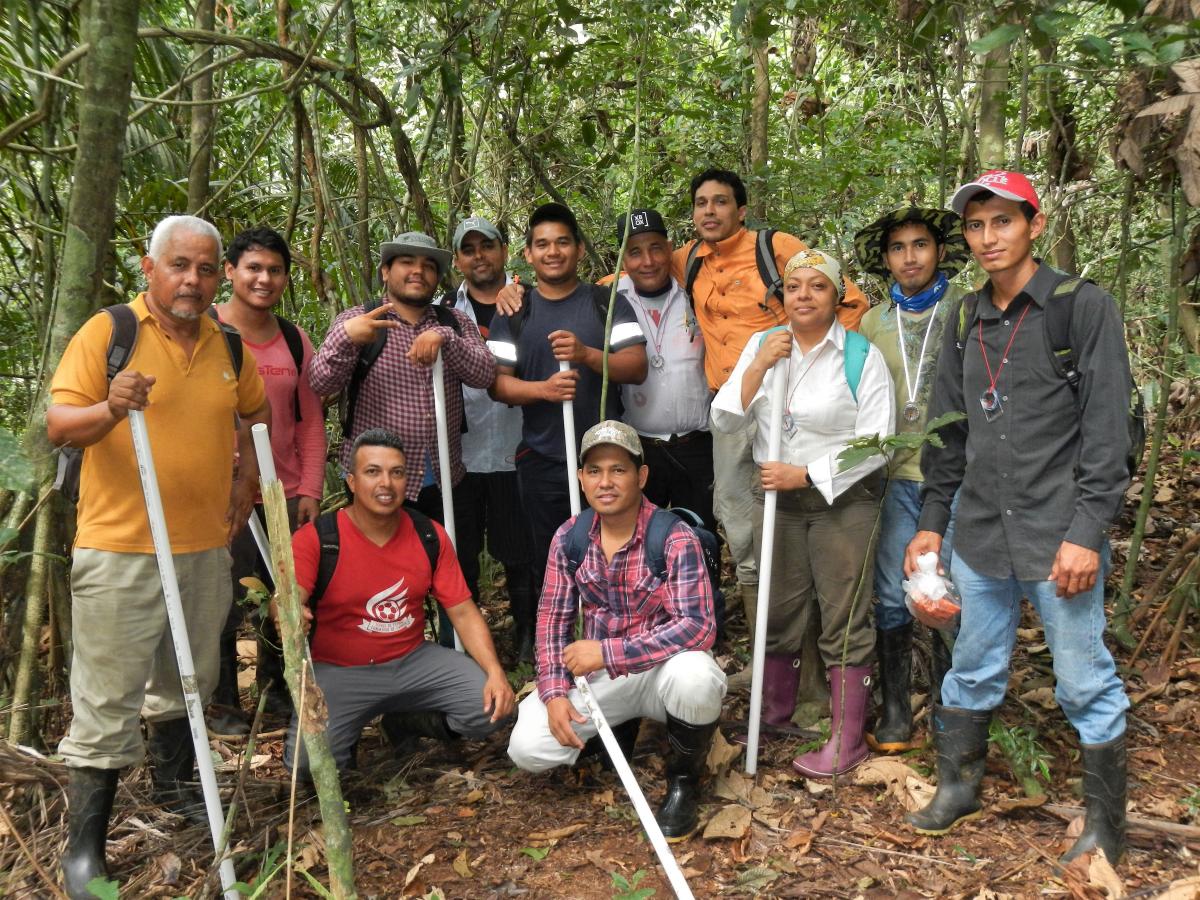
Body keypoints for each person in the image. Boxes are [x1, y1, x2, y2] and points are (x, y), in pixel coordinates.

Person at [903, 171, 1132, 866]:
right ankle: (958, 787)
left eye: (1001, 222)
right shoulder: (965, 317)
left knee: (1083, 678)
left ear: (1032, 223)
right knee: (970, 667)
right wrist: (933, 521)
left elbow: (1107, 432)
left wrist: (1087, 533)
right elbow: (949, 432)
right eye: (975, 226)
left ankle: (1104, 826)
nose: (987, 238)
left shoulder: (1079, 308)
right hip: (979, 532)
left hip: (1057, 532)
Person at [48, 216, 270, 898]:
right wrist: (111, 408)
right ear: (150, 268)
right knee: (107, 697)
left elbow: (253, 418)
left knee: (191, 680)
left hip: (204, 546)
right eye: (180, 266)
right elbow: (60, 424)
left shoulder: (227, 345)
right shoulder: (109, 332)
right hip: (120, 548)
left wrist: (244, 481)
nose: (193, 281)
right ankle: (84, 850)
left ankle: (179, 793)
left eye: (206, 269)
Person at [711, 249, 894, 778]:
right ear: (781, 297)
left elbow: (879, 442)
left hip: (843, 502)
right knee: (778, 608)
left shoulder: (859, 355)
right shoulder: (763, 346)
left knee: (843, 613)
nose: (805, 296)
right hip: (779, 502)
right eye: (795, 287)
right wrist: (760, 367)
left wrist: (807, 473)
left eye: (818, 286)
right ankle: (774, 715)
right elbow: (723, 418)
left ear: (838, 296)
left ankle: (847, 738)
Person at [507, 420, 727, 839]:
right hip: (603, 677)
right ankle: (611, 734)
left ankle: (683, 782)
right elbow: (552, 621)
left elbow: (697, 628)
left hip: (663, 671)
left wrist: (609, 653)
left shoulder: (674, 537)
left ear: (642, 476)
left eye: (618, 470)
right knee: (527, 746)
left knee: (697, 678)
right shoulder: (570, 538)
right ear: (581, 478)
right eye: (594, 471)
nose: (605, 482)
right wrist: (553, 693)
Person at [673, 168, 869, 616]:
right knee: (736, 512)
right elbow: (637, 267)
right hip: (731, 403)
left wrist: (821, 364)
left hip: (787, 402)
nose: (710, 210)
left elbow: (848, 299)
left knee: (798, 507)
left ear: (740, 211)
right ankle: (764, 631)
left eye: (720, 202)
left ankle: (812, 627)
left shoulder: (774, 247)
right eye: (701, 203)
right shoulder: (687, 258)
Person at [284, 429, 515, 776]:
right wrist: (289, 612)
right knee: (307, 766)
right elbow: (287, 602)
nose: (386, 483)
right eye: (373, 471)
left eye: (396, 472)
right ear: (351, 481)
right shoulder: (318, 539)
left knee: (493, 708)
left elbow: (463, 611)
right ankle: (345, 739)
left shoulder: (427, 535)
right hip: (341, 670)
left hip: (411, 660)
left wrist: (495, 671)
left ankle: (407, 722)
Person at [308, 231, 494, 648]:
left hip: (445, 477)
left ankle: (456, 660)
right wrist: (346, 339)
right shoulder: (362, 321)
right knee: (379, 579)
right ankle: (385, 660)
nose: (418, 271)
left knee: (456, 576)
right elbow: (320, 381)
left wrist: (445, 341)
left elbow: (484, 374)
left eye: (429, 265)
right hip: (382, 485)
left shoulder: (453, 322)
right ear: (386, 272)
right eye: (407, 262)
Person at [852, 208, 969, 752]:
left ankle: (951, 704)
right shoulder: (874, 322)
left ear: (940, 251)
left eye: (920, 245)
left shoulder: (967, 309)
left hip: (959, 476)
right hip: (896, 476)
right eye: (898, 248)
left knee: (954, 593)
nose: (910, 258)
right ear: (886, 259)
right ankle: (896, 707)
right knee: (893, 595)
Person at [487, 202, 647, 583]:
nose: (553, 252)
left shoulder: (607, 303)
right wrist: (544, 389)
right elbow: (497, 385)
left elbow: (637, 367)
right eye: (542, 244)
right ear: (528, 254)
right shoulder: (513, 311)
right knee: (553, 560)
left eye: (562, 242)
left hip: (606, 461)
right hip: (543, 460)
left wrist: (586, 354)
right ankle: (558, 636)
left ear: (577, 248)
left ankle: (610, 637)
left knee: (615, 558)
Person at [213, 226, 327, 732]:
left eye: (275, 270)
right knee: (221, 599)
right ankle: (219, 702)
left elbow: (310, 422)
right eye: (253, 268)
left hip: (280, 493)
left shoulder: (294, 340)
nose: (264, 278)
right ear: (230, 271)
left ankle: (276, 691)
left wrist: (310, 488)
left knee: (284, 595)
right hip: (217, 495)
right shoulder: (206, 328)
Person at [440, 216, 537, 663]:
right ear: (457, 259)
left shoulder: (529, 303)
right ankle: (462, 654)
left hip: (516, 451)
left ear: (504, 250)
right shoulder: (442, 312)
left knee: (520, 555)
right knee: (457, 561)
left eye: (487, 246)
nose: (479, 255)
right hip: (458, 455)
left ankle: (527, 641)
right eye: (469, 249)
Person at [612, 209, 717, 536]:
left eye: (656, 248)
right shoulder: (609, 302)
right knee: (641, 544)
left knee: (701, 542)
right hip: (639, 451)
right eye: (635, 252)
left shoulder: (695, 293)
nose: (648, 261)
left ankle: (706, 589)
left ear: (669, 248)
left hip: (697, 446)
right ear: (622, 259)